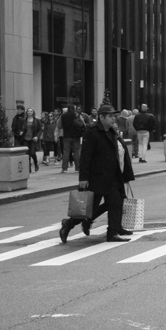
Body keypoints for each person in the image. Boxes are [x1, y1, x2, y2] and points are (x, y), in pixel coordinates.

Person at [61, 103, 135, 243]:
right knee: (87, 208)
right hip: (96, 177)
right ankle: (68, 224)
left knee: (115, 202)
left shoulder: (112, 132)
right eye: (110, 116)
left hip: (112, 177)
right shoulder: (91, 132)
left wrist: (124, 175)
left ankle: (113, 232)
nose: (114, 118)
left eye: (114, 116)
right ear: (101, 117)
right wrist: (83, 178)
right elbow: (85, 157)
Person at [59, 105, 83, 173]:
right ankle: (77, 168)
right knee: (76, 152)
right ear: (74, 109)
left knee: (66, 152)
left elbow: (59, 126)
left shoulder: (63, 116)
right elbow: (82, 124)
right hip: (76, 136)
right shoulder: (77, 115)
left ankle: (64, 168)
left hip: (66, 136)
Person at [22, 108, 42, 173]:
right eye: (28, 111)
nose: (29, 112)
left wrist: (37, 136)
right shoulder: (24, 120)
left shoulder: (37, 121)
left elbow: (40, 130)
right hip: (25, 138)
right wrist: (21, 132)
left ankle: (36, 163)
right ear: (26, 112)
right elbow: (21, 128)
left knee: (32, 152)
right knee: (27, 154)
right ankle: (29, 167)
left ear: (33, 112)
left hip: (33, 139)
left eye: (31, 111)